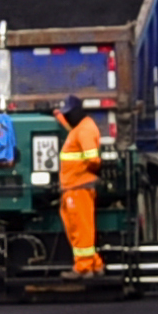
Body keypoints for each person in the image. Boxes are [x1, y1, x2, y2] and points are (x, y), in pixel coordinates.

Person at [54, 95, 106, 276]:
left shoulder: (84, 130)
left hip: (78, 187)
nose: (67, 117)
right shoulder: (80, 128)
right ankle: (94, 264)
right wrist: (58, 116)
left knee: (80, 229)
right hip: (75, 187)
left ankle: (83, 267)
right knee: (82, 228)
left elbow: (93, 159)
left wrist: (85, 172)